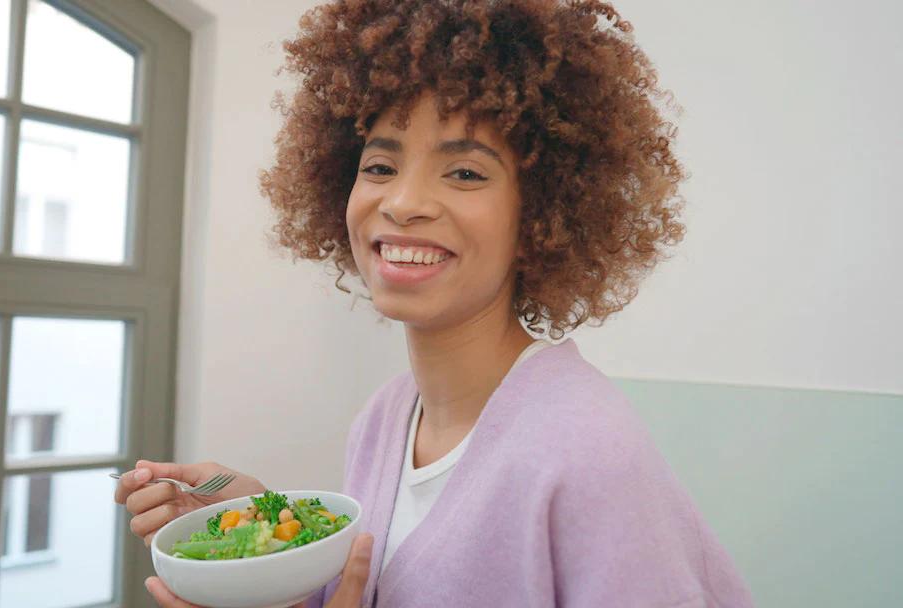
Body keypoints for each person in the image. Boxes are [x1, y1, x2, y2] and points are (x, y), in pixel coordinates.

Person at [115, 0, 755, 606]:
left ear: (540, 215)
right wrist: (273, 538)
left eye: (466, 172)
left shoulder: (587, 453)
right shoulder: (384, 420)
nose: (403, 202)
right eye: (380, 166)